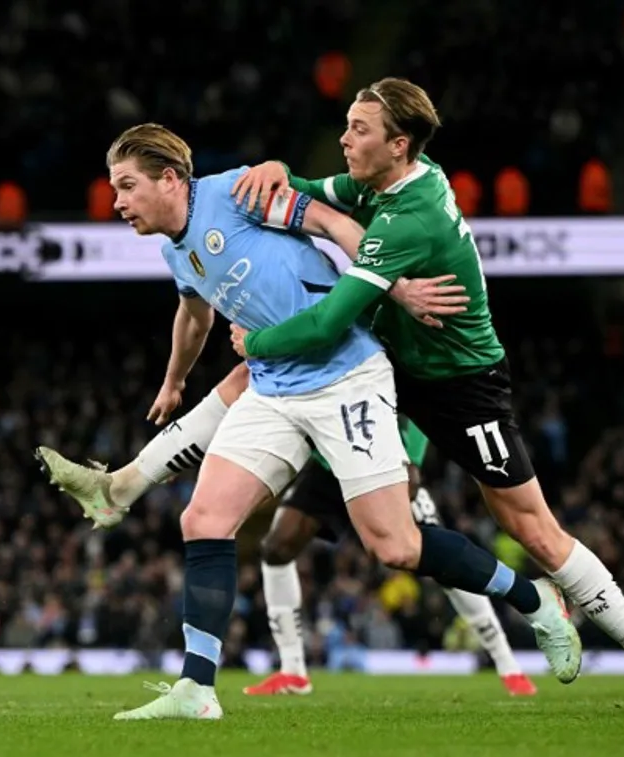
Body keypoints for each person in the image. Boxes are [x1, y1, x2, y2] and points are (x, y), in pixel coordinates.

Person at [43, 122, 580, 722]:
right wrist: (173, 381)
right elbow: (193, 317)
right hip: (274, 388)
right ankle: (196, 689)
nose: (117, 202)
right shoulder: (176, 248)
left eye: (127, 186)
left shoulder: (234, 193)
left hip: (346, 378)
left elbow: (332, 222)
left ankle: (535, 600)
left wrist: (392, 285)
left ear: (170, 179)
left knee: (396, 547)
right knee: (204, 518)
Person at [226, 77, 624, 717]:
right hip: (384, 370)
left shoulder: (407, 220)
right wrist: (277, 168)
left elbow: (328, 322)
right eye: (346, 124)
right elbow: (309, 191)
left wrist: (257, 343)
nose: (343, 138)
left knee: (533, 530)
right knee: (378, 541)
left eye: (358, 130)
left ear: (399, 144)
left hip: (461, 386)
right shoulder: (388, 180)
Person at [244, 418, 537, 697]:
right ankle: (292, 669)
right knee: (277, 548)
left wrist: (409, 457)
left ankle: (505, 661)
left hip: (385, 459)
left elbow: (408, 392)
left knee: (441, 560)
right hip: (332, 457)